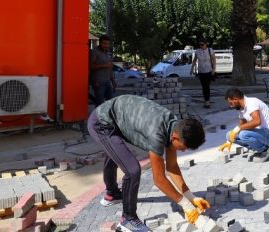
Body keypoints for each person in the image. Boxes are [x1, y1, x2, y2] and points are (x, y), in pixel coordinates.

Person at [87, 95, 208, 232]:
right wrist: (185, 205)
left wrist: (191, 197)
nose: (184, 150)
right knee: (132, 170)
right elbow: (159, 180)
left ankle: (112, 194)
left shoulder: (174, 126)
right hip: (101, 123)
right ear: (175, 137)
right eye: (184, 147)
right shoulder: (157, 134)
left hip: (117, 117)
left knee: (116, 154)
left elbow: (172, 167)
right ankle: (128, 219)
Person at [218, 87, 269, 162]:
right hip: (259, 133)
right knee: (229, 135)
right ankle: (256, 148)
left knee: (243, 134)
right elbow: (241, 124)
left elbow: (257, 121)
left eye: (231, 103)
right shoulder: (241, 107)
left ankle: (266, 150)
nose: (231, 106)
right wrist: (229, 140)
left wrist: (238, 129)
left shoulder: (251, 103)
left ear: (235, 99)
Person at [89, 34, 116, 106]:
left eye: (107, 44)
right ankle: (97, 117)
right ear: (100, 43)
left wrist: (113, 81)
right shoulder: (94, 52)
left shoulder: (108, 53)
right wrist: (104, 65)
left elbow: (109, 68)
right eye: (104, 43)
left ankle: (107, 117)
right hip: (98, 82)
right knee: (99, 103)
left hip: (107, 81)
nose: (106, 45)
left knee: (110, 103)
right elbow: (90, 66)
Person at [190, 40, 216, 109]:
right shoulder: (197, 51)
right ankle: (206, 100)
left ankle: (207, 101)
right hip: (201, 71)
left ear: (206, 44)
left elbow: (214, 60)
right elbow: (194, 60)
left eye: (202, 44)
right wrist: (192, 69)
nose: (201, 46)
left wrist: (214, 69)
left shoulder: (210, 50)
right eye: (200, 45)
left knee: (206, 86)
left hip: (208, 71)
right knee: (204, 86)